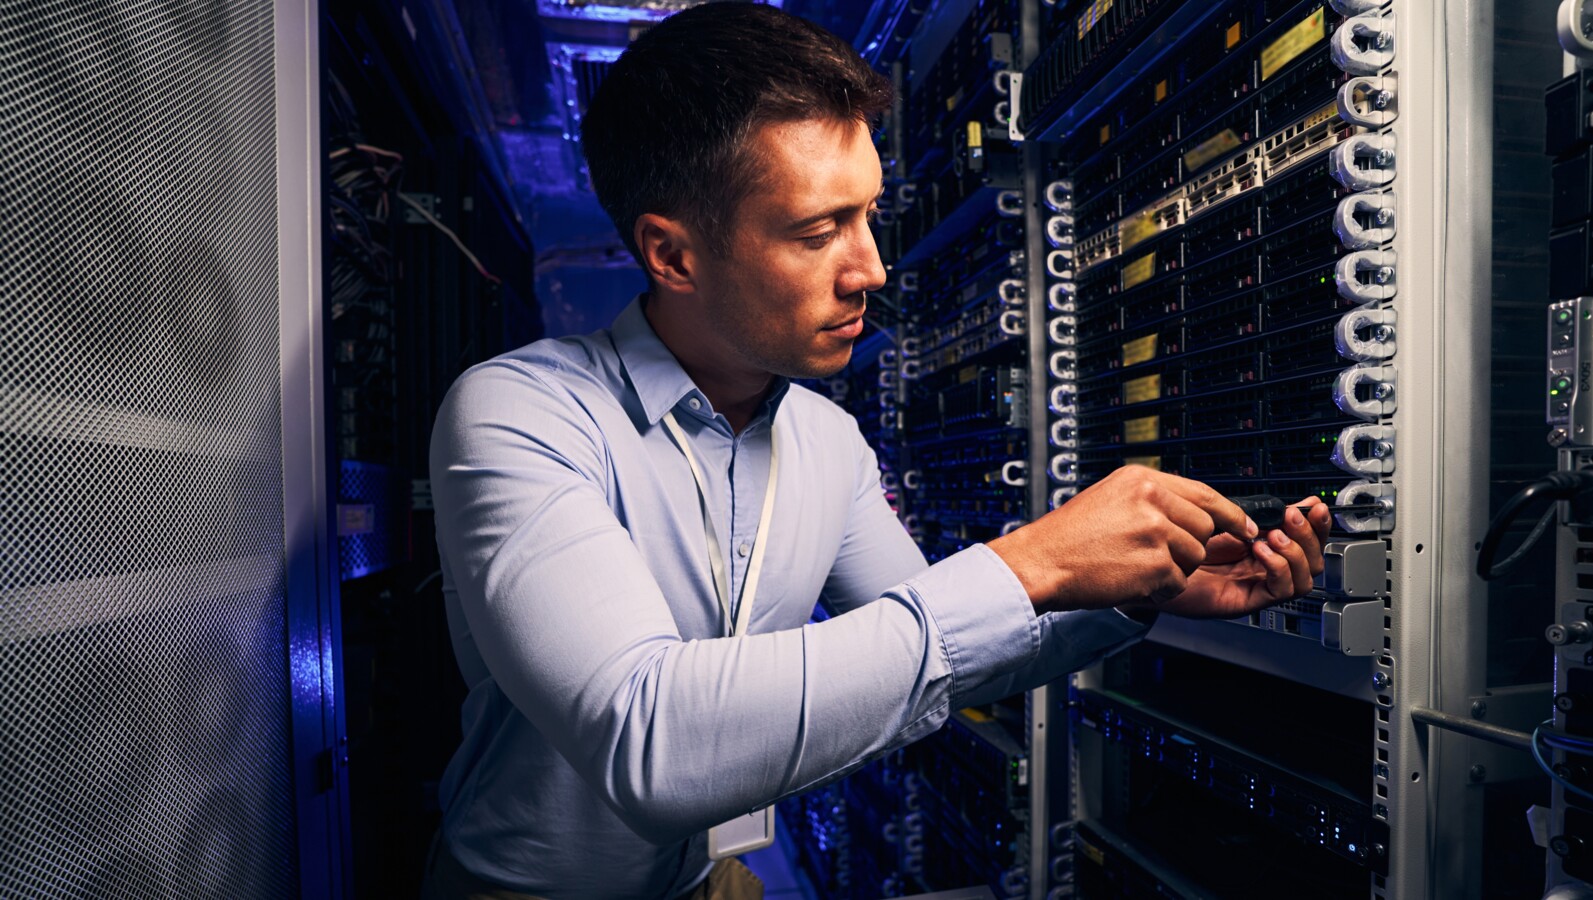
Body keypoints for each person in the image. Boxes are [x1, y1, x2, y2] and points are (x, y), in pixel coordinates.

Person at [421, 4, 1331, 898]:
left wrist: (1138, 594)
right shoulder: (521, 416)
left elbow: (965, 649)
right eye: (818, 232)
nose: (871, 269)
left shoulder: (827, 441)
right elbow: (646, 739)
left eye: (869, 216)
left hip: (707, 880)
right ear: (674, 255)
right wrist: (1030, 559)